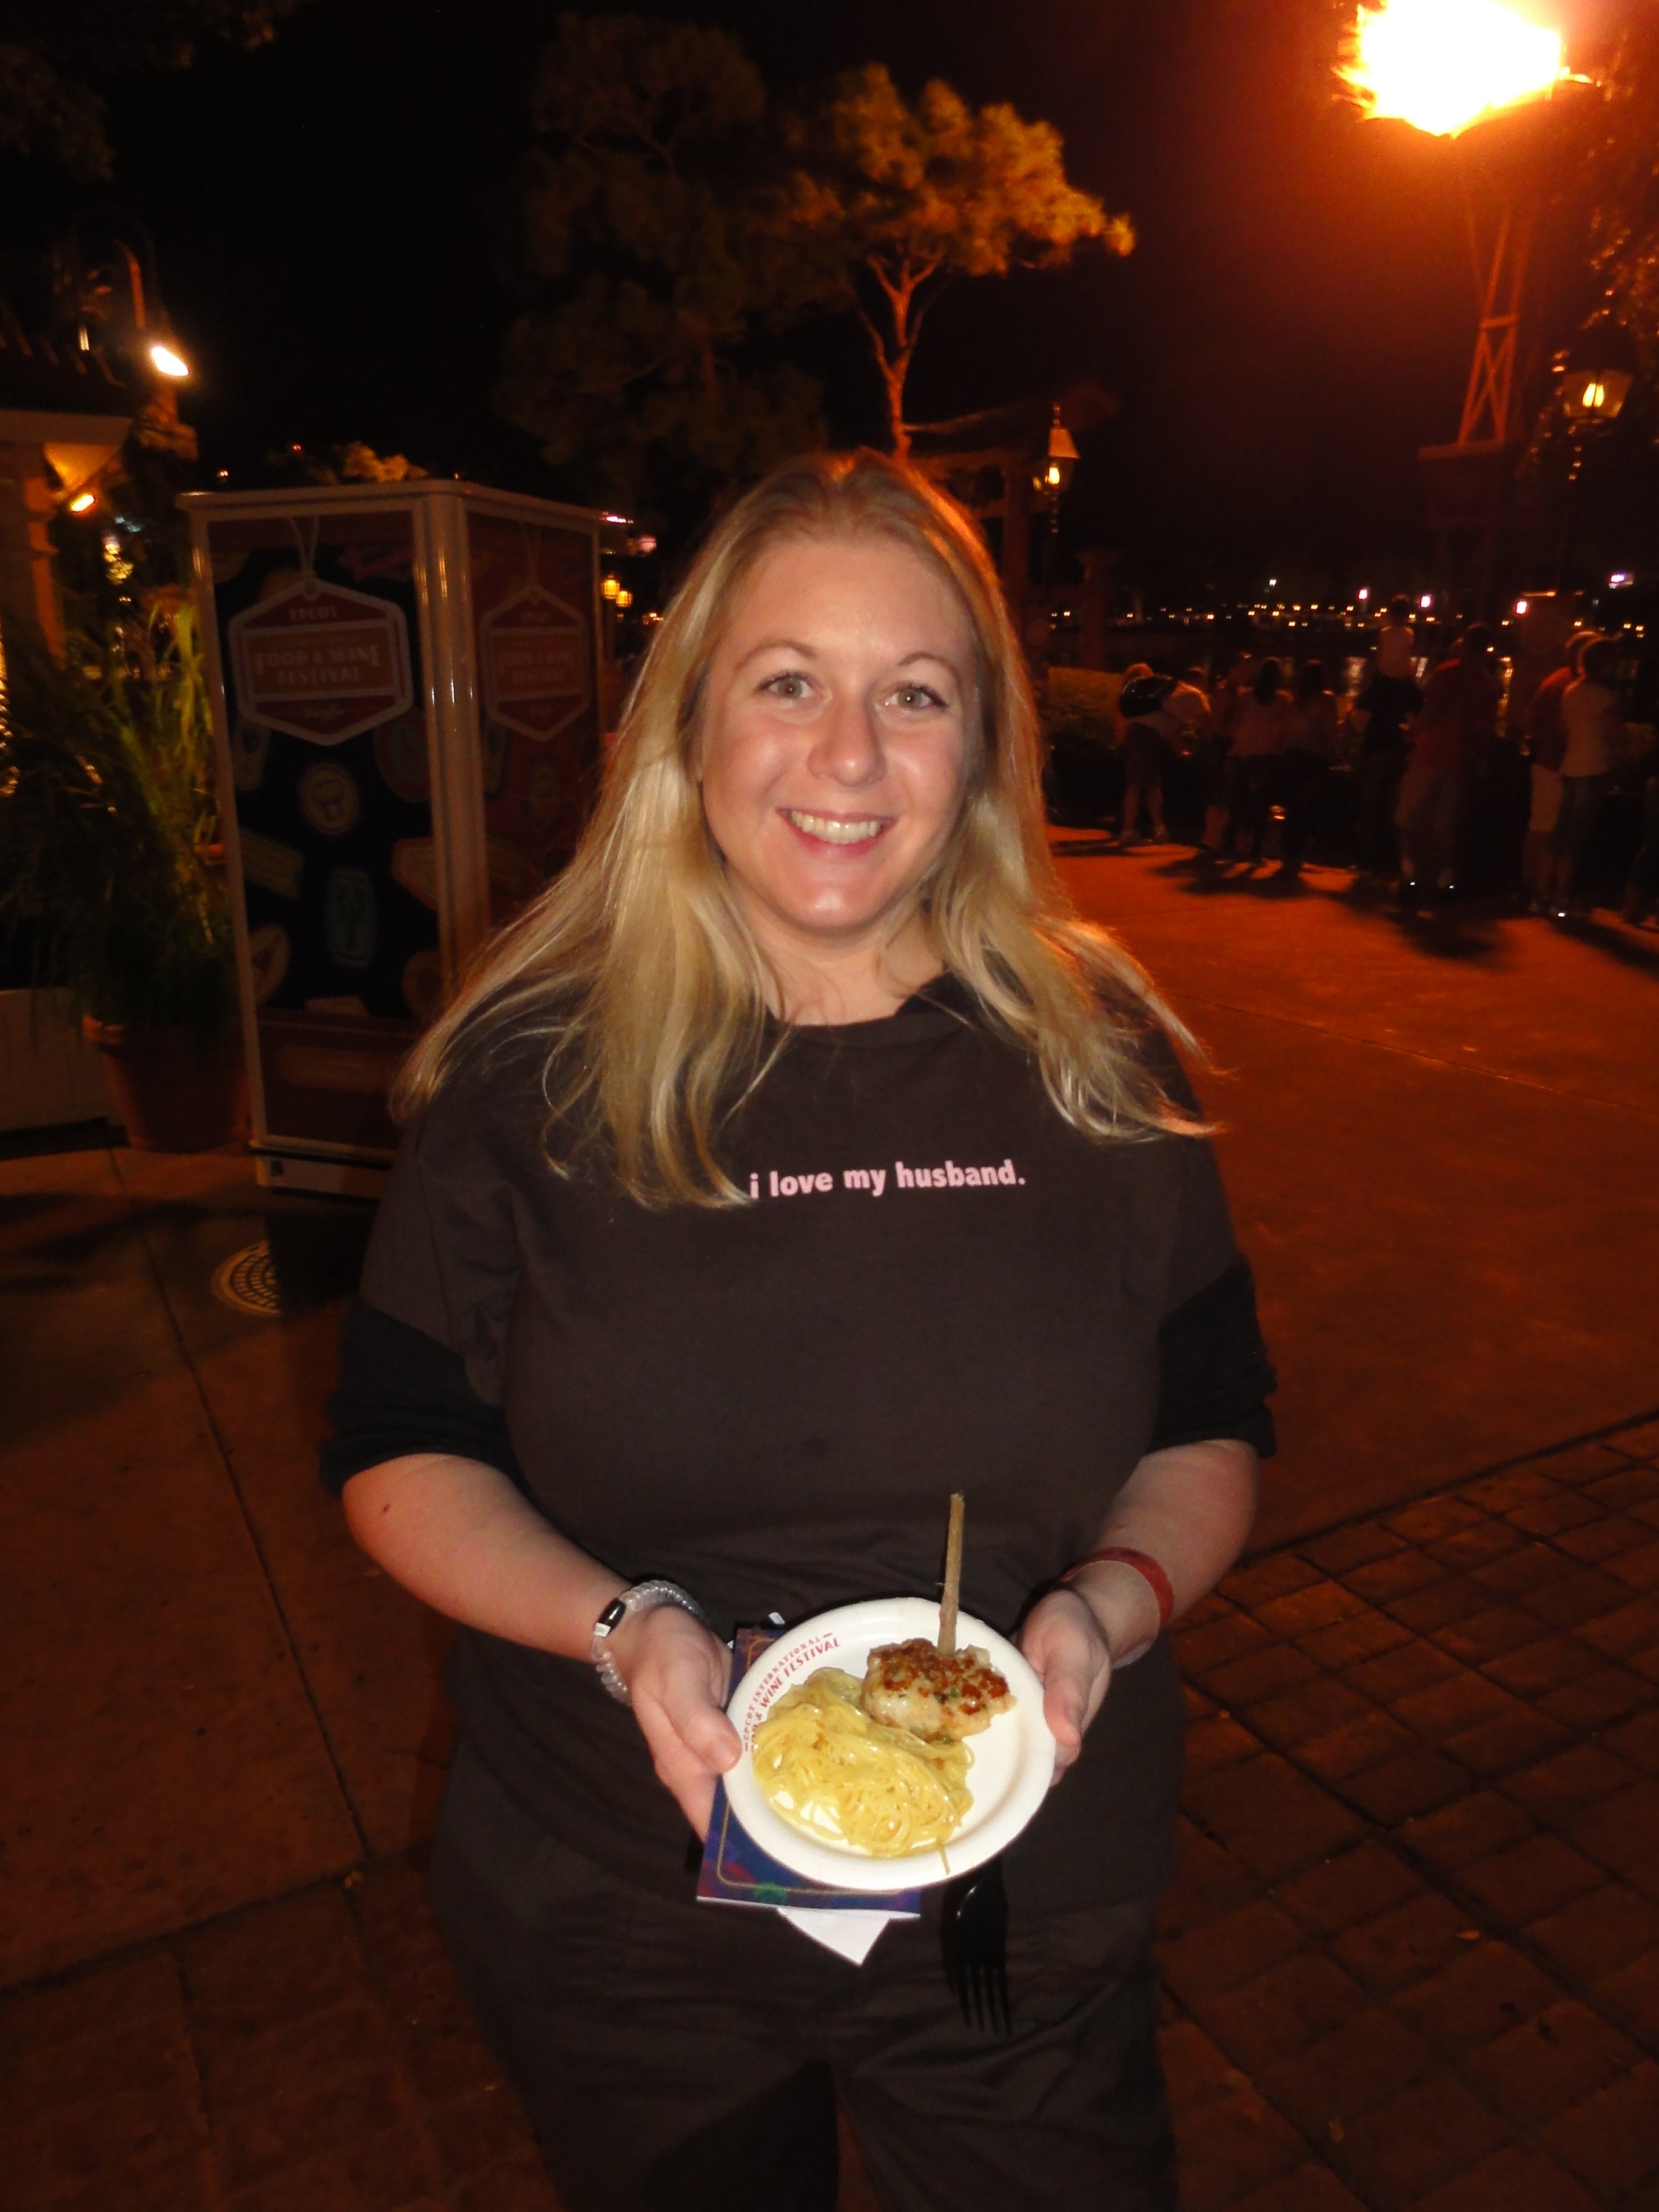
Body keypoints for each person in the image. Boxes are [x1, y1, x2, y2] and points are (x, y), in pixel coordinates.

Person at [320, 451, 1274, 2212]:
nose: (850, 756)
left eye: (914, 694)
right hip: (618, 1895)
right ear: (689, 728)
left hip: (1015, 1896)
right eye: (789, 683)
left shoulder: (1099, 1060)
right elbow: (395, 1446)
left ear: (980, 751)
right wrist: (623, 1627)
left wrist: (1106, 1608)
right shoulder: (533, 1073)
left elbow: (1210, 1417)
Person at [1394, 623, 1499, 900]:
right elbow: (1486, 730)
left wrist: (1412, 730)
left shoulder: (1447, 673)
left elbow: (1432, 709)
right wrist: (1484, 759)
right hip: (1460, 760)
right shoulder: (1487, 684)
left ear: (1463, 644)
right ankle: (1444, 879)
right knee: (1446, 826)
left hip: (1430, 753)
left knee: (1408, 817)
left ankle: (1410, 874)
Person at [1546, 635, 1625, 919]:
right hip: (1592, 768)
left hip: (1571, 764)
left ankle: (1545, 892)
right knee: (1575, 837)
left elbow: (1562, 727)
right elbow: (1618, 735)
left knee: (1561, 831)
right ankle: (1562, 897)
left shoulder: (1571, 691)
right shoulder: (1603, 697)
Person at [1352, 596, 1423, 878]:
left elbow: (1359, 716)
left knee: (1370, 805)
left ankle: (1367, 858)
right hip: (1399, 749)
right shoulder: (1409, 690)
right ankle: (1390, 859)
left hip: (1376, 747)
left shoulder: (1377, 689)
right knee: (1394, 807)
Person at [1521, 632, 1587, 911]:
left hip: (1545, 760)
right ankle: (1538, 885)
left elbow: (1533, 720)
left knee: (1540, 825)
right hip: (1555, 763)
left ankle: (1531, 882)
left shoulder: (1554, 681)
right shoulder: (1571, 686)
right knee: (1547, 827)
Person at [1224, 658, 1290, 860]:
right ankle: (1255, 851)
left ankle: (1229, 846)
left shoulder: (1246, 696)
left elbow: (1235, 723)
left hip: (1243, 752)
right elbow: (1284, 730)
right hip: (1266, 754)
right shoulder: (1283, 700)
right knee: (1261, 805)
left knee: (1237, 802)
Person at [1278, 661, 1339, 874]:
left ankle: (1288, 857)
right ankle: (1298, 858)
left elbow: (1285, 730)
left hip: (1291, 757)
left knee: (1293, 808)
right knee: (1307, 810)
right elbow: (1332, 733)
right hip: (1313, 759)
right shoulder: (1326, 699)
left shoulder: (1294, 701)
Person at [1116, 669, 1176, 844]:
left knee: (1144, 785)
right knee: (1144, 786)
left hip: (1137, 740)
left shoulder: (1130, 698)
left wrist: (1123, 743)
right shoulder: (1142, 699)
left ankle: (1144, 828)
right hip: (1144, 739)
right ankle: (1136, 829)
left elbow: (1120, 723)